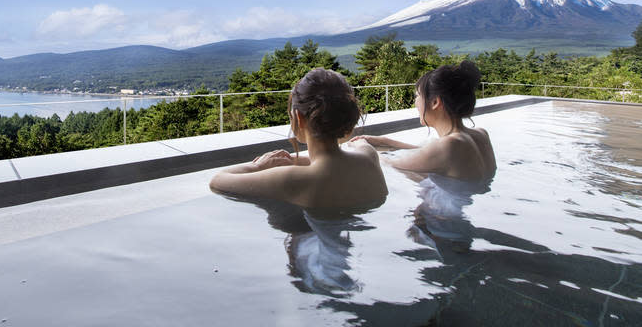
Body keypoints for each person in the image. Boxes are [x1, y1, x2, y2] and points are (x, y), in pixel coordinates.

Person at [209, 67, 388, 208]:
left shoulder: (291, 179)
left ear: (298, 118)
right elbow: (349, 152)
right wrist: (300, 161)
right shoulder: (369, 156)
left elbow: (218, 181)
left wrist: (259, 165)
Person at [351, 61, 495, 181]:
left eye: (417, 96)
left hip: (444, 215)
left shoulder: (448, 145)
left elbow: (391, 164)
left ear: (434, 102)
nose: (415, 103)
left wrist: (363, 147)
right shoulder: (480, 134)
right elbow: (426, 154)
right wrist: (386, 141)